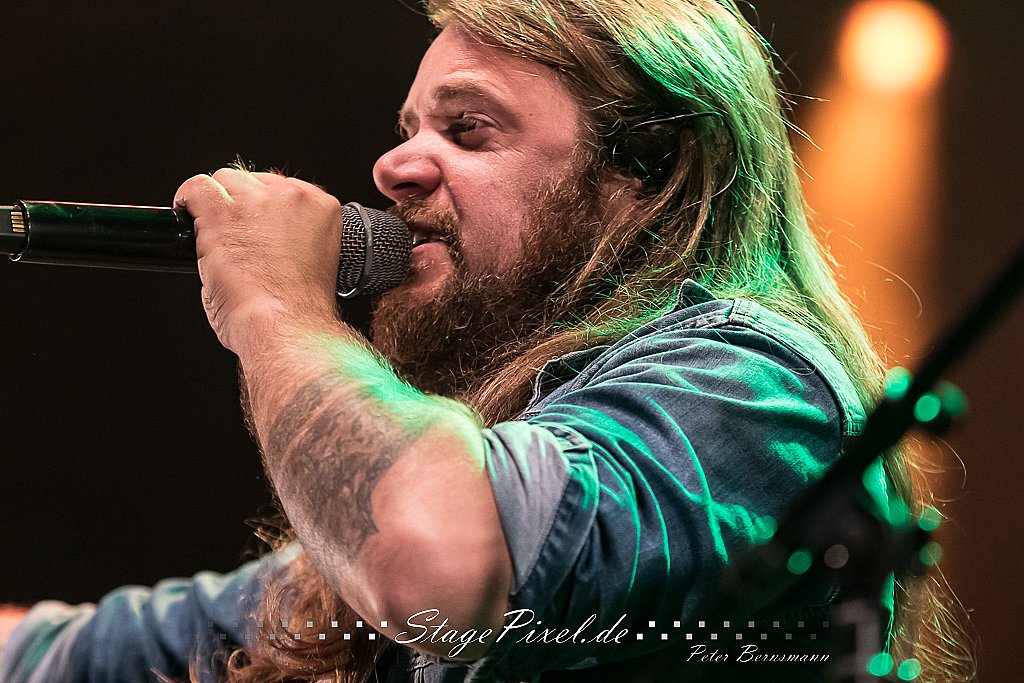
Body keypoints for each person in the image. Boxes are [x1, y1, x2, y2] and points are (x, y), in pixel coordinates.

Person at [0, 1, 972, 681]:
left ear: (647, 169)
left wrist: (274, 306)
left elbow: (438, 566)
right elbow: (138, 641)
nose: (393, 165)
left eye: (467, 131)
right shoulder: (498, 439)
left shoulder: (747, 389)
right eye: (409, 127)